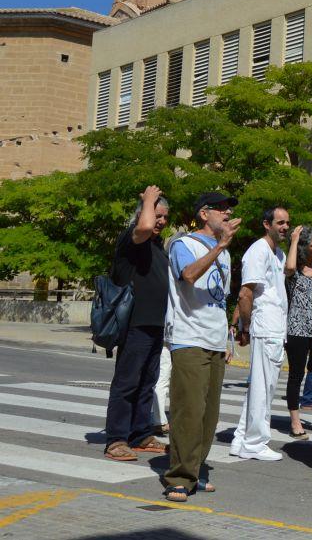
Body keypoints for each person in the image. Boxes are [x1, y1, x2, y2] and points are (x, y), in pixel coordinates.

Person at [162, 192, 240, 502]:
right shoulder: (184, 244)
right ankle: (179, 476)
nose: (227, 212)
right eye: (221, 208)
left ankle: (196, 469)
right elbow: (189, 276)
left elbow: (221, 299)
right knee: (189, 410)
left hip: (214, 338)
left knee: (209, 413)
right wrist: (220, 245)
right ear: (204, 214)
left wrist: (228, 337)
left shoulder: (225, 254)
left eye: (228, 208)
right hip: (189, 336)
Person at [103, 186, 171, 463]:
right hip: (134, 324)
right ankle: (116, 438)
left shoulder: (157, 246)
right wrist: (148, 200)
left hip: (155, 324)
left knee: (147, 382)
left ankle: (140, 433)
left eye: (165, 216)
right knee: (127, 382)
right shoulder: (132, 238)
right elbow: (143, 227)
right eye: (157, 215)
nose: (161, 221)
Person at [230, 207, 290, 461]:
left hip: (274, 326)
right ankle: (255, 443)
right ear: (267, 224)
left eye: (288, 222)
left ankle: (241, 439)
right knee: (263, 388)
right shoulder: (258, 250)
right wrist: (243, 326)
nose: (285, 227)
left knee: (260, 385)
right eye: (280, 222)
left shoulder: (278, 253)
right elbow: (246, 292)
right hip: (266, 326)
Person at [284, 225, 312, 439]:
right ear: (303, 248)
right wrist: (295, 239)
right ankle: (295, 422)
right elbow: (289, 267)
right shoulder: (294, 271)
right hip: (297, 329)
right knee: (296, 375)